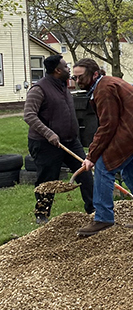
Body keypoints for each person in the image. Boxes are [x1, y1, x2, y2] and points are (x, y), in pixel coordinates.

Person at [72, 59, 133, 237]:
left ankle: (103, 218)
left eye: (81, 77)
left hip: (132, 131)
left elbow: (108, 125)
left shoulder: (104, 89)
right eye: (74, 77)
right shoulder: (106, 84)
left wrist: (92, 156)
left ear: (94, 74)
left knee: (103, 167)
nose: (78, 82)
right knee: (131, 174)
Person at [23, 55, 94, 224]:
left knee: (85, 173)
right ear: (58, 70)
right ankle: (42, 215)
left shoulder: (63, 87)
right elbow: (29, 115)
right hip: (46, 144)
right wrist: (48, 133)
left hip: (70, 141)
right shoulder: (39, 89)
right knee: (48, 181)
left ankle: (93, 209)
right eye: (66, 67)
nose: (69, 70)